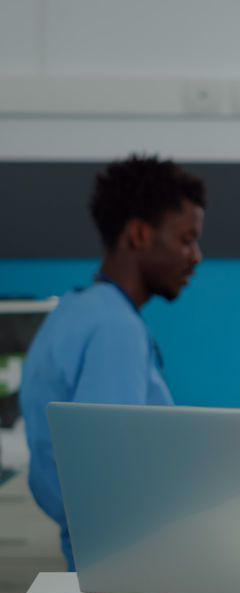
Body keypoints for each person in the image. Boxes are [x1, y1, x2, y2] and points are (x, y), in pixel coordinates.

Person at [19, 155, 205, 570]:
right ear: (139, 233)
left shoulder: (75, 310)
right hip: (128, 560)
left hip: (98, 554)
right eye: (186, 239)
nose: (196, 256)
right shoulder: (113, 328)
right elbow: (110, 477)